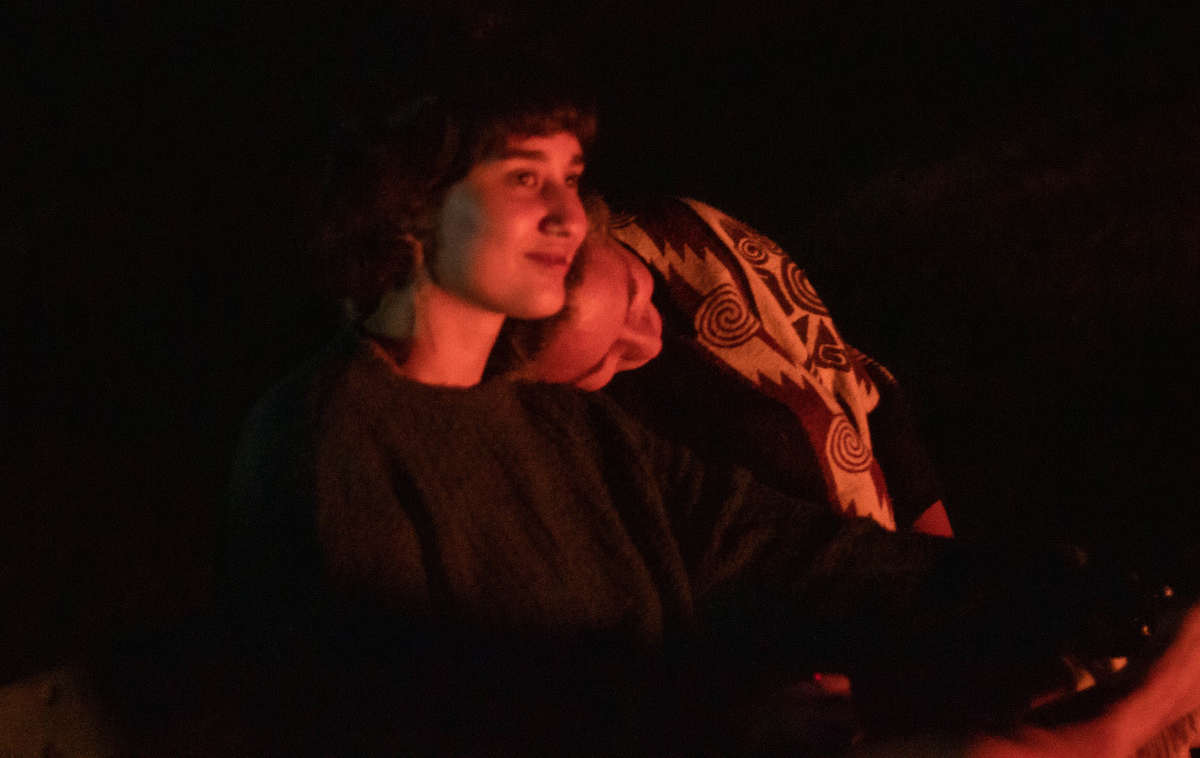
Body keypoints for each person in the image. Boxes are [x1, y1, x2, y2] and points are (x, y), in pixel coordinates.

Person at [222, 51, 1200, 756]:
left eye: (572, 178)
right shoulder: (332, 444)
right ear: (414, 204)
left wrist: (1054, 599)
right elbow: (420, 717)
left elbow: (775, 549)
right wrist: (719, 728)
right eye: (525, 180)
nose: (567, 214)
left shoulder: (561, 423)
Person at [496, 196, 953, 536]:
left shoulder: (688, 236)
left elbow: (848, 375)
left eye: (634, 294)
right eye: (603, 361)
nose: (648, 343)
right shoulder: (595, 442)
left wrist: (936, 559)